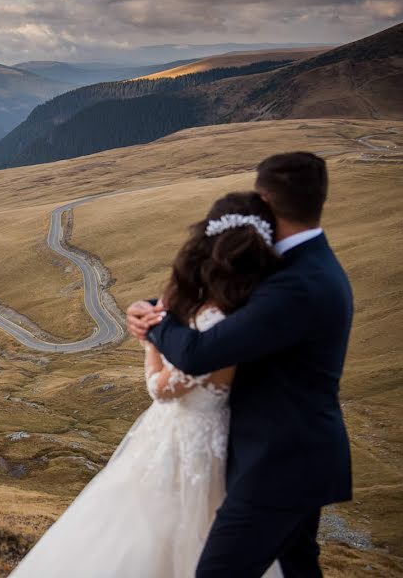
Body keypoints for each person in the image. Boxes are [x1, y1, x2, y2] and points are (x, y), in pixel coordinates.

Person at [10, 191, 283, 578]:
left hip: (182, 435)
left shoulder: (211, 320)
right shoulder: (245, 311)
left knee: (150, 531)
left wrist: (148, 344)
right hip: (217, 437)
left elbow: (161, 388)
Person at [128, 152, 353, 577]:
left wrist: (155, 323)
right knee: (298, 567)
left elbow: (199, 354)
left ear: (265, 200)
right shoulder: (305, 266)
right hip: (296, 454)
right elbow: (235, 316)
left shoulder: (296, 283)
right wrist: (154, 308)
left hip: (279, 462)